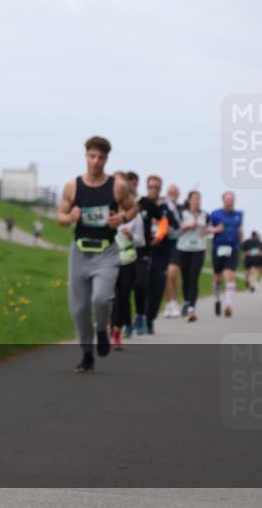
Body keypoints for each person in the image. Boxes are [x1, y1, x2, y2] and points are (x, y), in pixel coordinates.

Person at [56, 136, 137, 373]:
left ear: (106, 159)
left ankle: (102, 329)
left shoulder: (116, 186)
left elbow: (133, 208)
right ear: (86, 156)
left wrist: (121, 218)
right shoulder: (73, 186)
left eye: (101, 157)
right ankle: (87, 354)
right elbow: (60, 216)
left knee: (100, 299)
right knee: (79, 308)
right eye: (92, 156)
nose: (96, 161)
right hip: (80, 251)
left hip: (106, 252)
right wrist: (70, 217)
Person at [110, 171, 145, 350]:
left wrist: (132, 236)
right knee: (109, 297)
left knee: (122, 297)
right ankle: (108, 329)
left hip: (128, 259)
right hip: (108, 259)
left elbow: (141, 241)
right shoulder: (107, 209)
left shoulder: (135, 214)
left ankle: (116, 332)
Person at [139, 175, 169, 334]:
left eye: (156, 187)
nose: (153, 190)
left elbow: (174, 228)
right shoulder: (140, 204)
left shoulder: (167, 208)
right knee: (142, 285)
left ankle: (150, 318)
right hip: (144, 250)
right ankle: (141, 317)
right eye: (151, 187)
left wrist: (160, 235)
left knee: (157, 288)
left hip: (161, 253)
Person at [176, 190, 212, 322]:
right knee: (185, 278)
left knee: (194, 277)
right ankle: (186, 301)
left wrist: (210, 230)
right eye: (194, 198)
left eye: (199, 198)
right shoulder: (182, 213)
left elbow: (208, 229)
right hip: (184, 248)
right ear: (189, 200)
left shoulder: (204, 215)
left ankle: (192, 308)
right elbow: (176, 229)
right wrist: (187, 226)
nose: (197, 200)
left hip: (199, 249)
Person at [209, 191, 244, 318]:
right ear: (223, 200)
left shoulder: (239, 215)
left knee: (230, 275)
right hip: (218, 248)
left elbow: (240, 228)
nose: (230, 202)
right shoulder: (215, 214)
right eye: (227, 199)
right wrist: (215, 229)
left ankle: (228, 305)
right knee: (217, 277)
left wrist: (240, 236)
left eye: (232, 199)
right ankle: (218, 299)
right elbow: (206, 228)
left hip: (233, 248)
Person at [162, 184, 184, 318]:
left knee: (173, 272)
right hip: (163, 243)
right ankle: (168, 303)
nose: (171, 194)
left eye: (174, 192)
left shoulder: (182, 209)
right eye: (169, 192)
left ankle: (175, 301)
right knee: (164, 275)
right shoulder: (163, 207)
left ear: (178, 194)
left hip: (178, 243)